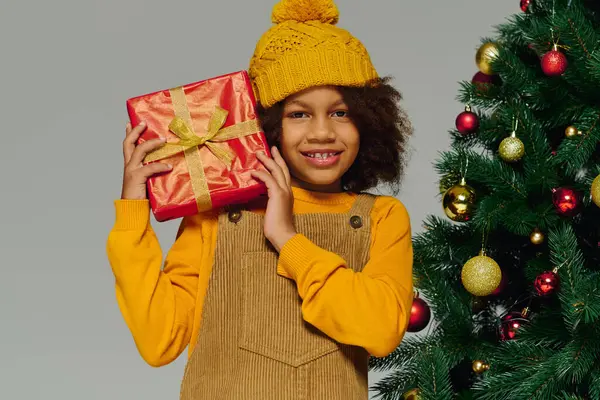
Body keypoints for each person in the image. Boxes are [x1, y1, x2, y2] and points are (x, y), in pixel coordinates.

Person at [106, 0, 414, 398]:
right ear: (265, 126)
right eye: (298, 114)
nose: (322, 133)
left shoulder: (382, 217)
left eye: (340, 113)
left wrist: (288, 239)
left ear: (371, 122)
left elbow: (381, 328)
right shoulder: (216, 215)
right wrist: (134, 216)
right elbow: (159, 339)